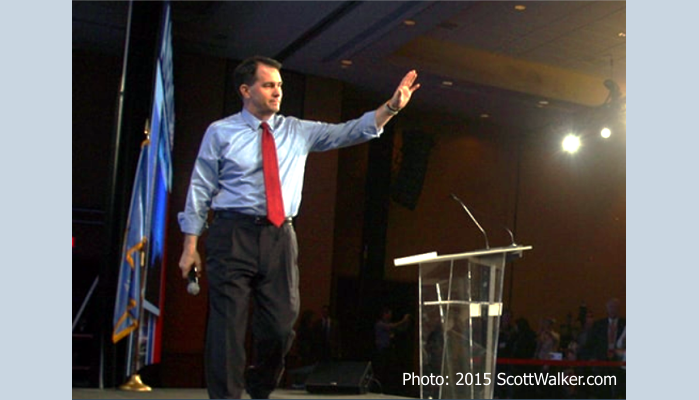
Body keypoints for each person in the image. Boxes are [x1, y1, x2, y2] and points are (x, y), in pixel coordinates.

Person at [177, 55, 420, 399]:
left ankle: (259, 387)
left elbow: (347, 131)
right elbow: (200, 188)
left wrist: (391, 108)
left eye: (279, 85)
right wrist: (190, 246)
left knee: (279, 326)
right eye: (268, 85)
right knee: (227, 328)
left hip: (280, 235)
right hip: (232, 234)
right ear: (246, 90)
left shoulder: (296, 130)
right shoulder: (220, 132)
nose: (277, 92)